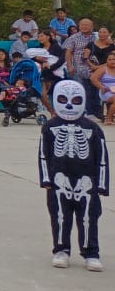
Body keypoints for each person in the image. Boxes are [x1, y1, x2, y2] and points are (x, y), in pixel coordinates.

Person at [39, 79, 108, 270]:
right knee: (59, 216)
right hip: (58, 179)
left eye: (76, 100)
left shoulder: (92, 128)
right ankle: (61, 249)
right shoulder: (50, 127)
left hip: (87, 180)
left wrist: (102, 184)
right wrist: (45, 179)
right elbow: (43, 154)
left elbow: (102, 157)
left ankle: (91, 253)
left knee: (89, 218)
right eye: (63, 99)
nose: (69, 105)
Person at [63, 18, 99, 117]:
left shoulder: (96, 37)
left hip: (95, 68)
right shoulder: (73, 37)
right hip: (78, 68)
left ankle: (95, 112)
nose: (84, 27)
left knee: (95, 91)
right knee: (80, 90)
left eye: (87, 25)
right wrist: (70, 66)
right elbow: (68, 52)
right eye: (82, 25)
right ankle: (82, 111)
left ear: (92, 27)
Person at [91, 50, 115, 125]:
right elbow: (93, 78)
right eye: (109, 59)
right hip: (107, 92)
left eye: (114, 59)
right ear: (106, 61)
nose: (112, 61)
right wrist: (101, 87)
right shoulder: (103, 69)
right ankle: (108, 118)